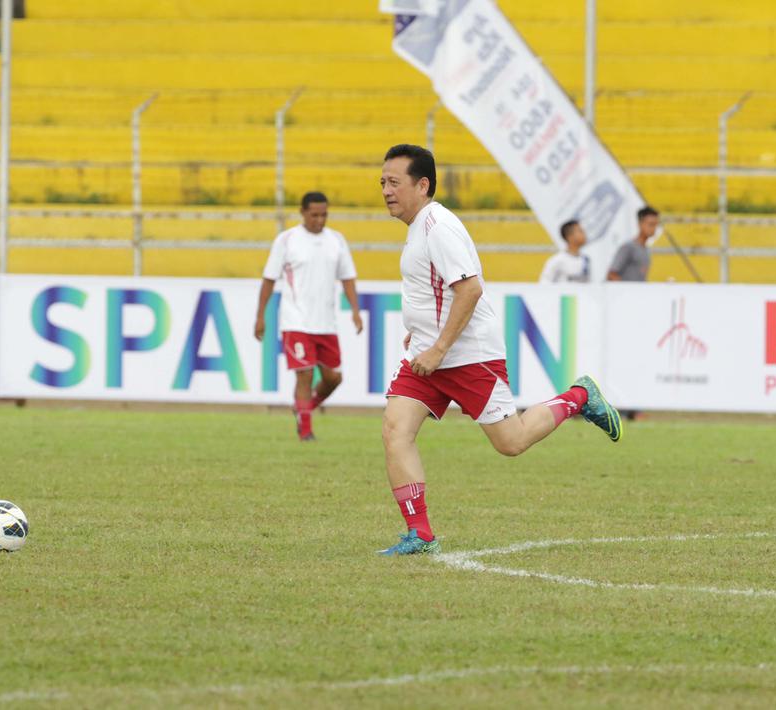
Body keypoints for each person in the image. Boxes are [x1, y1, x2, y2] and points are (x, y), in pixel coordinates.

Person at [377, 144, 621, 556]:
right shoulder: (418, 226)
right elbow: (433, 290)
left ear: (422, 185)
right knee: (395, 431)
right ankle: (420, 534)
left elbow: (469, 288)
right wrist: (421, 332)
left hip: (467, 354)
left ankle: (579, 397)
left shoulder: (439, 226)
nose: (385, 190)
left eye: (394, 182)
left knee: (511, 442)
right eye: (382, 182)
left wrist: (438, 347)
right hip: (431, 353)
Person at [254, 192, 363, 441]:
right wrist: (260, 316)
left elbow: (347, 277)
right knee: (304, 374)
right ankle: (306, 431)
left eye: (323, 215)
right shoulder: (287, 240)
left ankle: (303, 408)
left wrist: (355, 311)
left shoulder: (336, 240)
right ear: (302, 212)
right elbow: (269, 279)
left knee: (333, 378)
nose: (319, 220)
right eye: (314, 215)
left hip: (326, 323)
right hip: (296, 321)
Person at [606, 206, 659, 282]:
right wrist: (626, 290)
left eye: (656, 225)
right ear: (640, 224)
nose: (654, 228)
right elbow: (611, 275)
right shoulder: (628, 247)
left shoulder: (647, 250)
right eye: (651, 224)